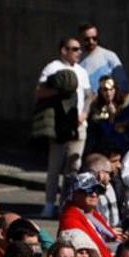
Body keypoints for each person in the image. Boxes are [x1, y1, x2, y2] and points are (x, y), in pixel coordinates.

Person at [35, 35, 92, 216]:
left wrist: (84, 114)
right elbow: (40, 91)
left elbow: (89, 94)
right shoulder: (53, 68)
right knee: (55, 165)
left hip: (78, 124)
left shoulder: (82, 71)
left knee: (74, 166)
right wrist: (60, 90)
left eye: (79, 49)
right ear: (63, 50)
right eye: (74, 49)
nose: (78, 52)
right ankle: (49, 204)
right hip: (59, 125)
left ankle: (66, 204)